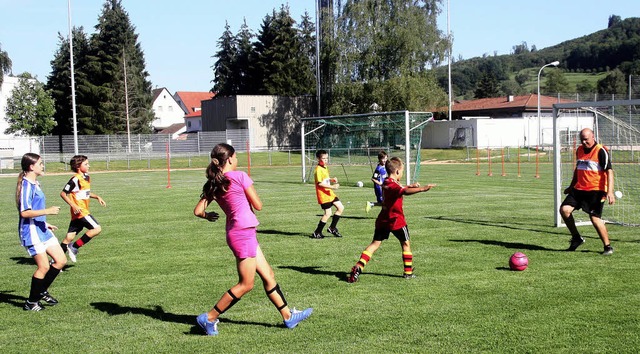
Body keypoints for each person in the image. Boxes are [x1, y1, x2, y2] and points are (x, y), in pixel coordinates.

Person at [194, 143, 312, 336]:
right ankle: (209, 317)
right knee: (246, 284)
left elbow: (198, 211)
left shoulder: (215, 182)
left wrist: (208, 216)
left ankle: (288, 317)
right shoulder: (240, 176)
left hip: (239, 232)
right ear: (230, 158)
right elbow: (258, 205)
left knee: (268, 275)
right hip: (243, 234)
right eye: (236, 156)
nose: (238, 159)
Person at [348, 156, 436, 283]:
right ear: (398, 171)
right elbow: (403, 191)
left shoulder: (386, 182)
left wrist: (410, 185)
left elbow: (398, 188)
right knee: (405, 244)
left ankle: (358, 267)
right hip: (396, 220)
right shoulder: (394, 186)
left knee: (374, 244)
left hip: (383, 219)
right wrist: (422, 189)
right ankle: (408, 273)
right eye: (402, 171)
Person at [16, 153, 67, 311]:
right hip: (31, 231)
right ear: (31, 167)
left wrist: (45, 222)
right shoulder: (26, 186)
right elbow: (24, 212)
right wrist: (49, 211)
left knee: (61, 261)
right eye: (40, 163)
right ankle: (31, 303)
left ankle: (41, 291)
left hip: (41, 228)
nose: (42, 166)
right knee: (43, 267)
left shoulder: (35, 183)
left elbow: (35, 209)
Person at [560, 128, 615, 255]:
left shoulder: (600, 150)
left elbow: (609, 172)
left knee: (595, 218)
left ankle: (607, 247)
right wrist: (571, 186)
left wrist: (610, 192)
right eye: (582, 139)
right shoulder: (579, 150)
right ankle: (576, 238)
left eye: (586, 139)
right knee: (564, 210)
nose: (584, 142)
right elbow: (578, 169)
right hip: (579, 189)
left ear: (593, 137)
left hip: (596, 190)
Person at [59, 155, 107, 262]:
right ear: (78, 166)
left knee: (69, 237)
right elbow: (63, 194)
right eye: (86, 164)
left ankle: (55, 261)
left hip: (78, 213)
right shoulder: (75, 179)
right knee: (96, 229)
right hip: (81, 212)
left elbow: (85, 193)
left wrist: (97, 197)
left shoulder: (86, 177)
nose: (88, 165)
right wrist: (73, 205)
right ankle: (75, 246)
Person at [311, 149, 345, 238]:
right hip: (323, 195)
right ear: (318, 158)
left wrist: (331, 179)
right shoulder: (318, 170)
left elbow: (325, 179)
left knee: (340, 208)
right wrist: (333, 187)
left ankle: (332, 228)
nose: (326, 160)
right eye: (324, 158)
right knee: (328, 214)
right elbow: (320, 183)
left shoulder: (325, 167)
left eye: (327, 158)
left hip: (330, 193)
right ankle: (317, 232)